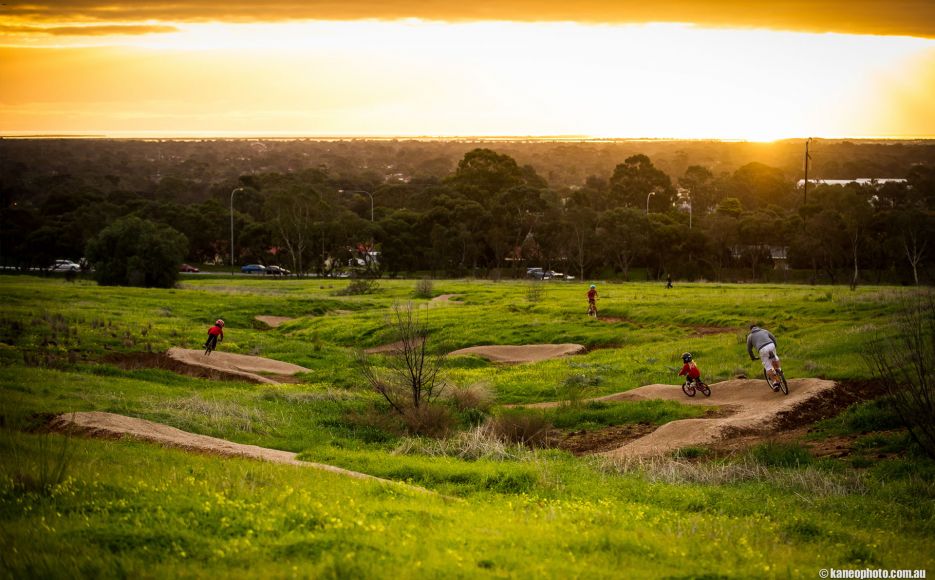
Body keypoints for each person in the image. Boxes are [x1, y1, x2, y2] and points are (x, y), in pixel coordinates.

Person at [747, 324, 781, 390]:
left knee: (768, 366)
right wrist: (775, 346)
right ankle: (779, 370)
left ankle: (775, 383)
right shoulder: (765, 331)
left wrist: (753, 357)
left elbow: (749, 349)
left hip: (762, 349)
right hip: (771, 344)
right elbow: (773, 338)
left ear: (751, 330)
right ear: (757, 327)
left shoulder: (750, 336)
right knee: (775, 358)